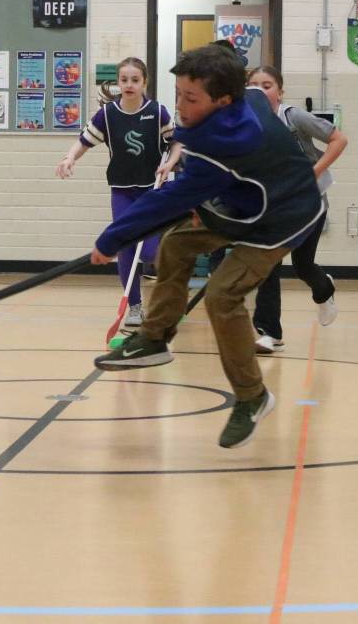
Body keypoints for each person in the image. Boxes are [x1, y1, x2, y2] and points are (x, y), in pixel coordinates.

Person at [90, 44, 324, 449]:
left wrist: (112, 238)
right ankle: (154, 338)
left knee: (221, 295)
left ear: (223, 100)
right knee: (176, 244)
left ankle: (252, 396)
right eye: (178, 94)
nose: (180, 106)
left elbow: (169, 200)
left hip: (284, 218)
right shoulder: (248, 96)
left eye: (191, 98)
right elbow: (250, 89)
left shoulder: (224, 144)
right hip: (245, 203)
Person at [55, 57, 178, 328]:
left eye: (135, 80)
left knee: (149, 253)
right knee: (125, 247)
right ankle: (134, 306)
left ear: (144, 82)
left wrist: (170, 163)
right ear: (118, 83)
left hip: (151, 192)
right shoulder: (108, 115)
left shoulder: (157, 112)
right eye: (124, 80)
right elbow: (84, 141)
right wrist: (70, 157)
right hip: (122, 192)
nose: (129, 85)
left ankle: (170, 293)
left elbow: (177, 142)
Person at [246, 66, 348, 353]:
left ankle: (324, 289)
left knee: (303, 266)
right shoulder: (245, 125)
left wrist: (313, 172)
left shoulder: (294, 117)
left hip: (309, 203)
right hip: (274, 207)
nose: (260, 90)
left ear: (280, 92)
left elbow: (339, 140)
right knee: (267, 265)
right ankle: (269, 333)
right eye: (254, 85)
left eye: (267, 85)